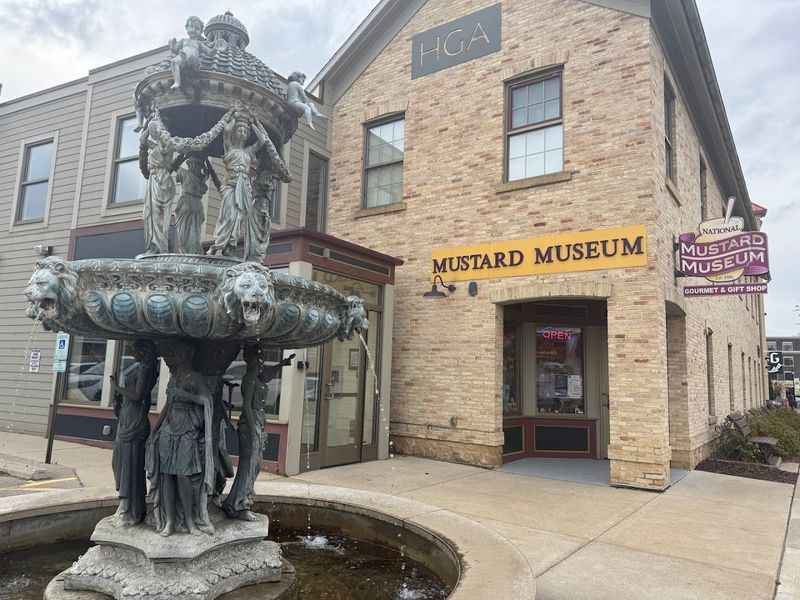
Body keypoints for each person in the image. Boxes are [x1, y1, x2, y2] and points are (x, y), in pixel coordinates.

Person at [146, 341, 214, 536]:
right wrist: (155, 429)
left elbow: (206, 400)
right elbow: (168, 404)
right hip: (169, 428)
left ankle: (190, 520)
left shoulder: (196, 378)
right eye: (176, 351)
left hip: (187, 429)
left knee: (184, 476)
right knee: (167, 474)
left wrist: (185, 395)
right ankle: (169, 521)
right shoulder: (174, 377)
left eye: (182, 351)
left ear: (190, 353)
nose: (179, 355)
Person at [223, 347, 294, 520]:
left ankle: (237, 501)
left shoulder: (258, 378)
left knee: (256, 464)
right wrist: (254, 427)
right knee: (249, 464)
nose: (261, 362)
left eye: (262, 359)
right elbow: (246, 405)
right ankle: (240, 505)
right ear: (251, 361)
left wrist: (282, 364)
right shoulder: (249, 379)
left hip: (259, 420)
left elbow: (268, 375)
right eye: (258, 359)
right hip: (250, 422)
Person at [109, 341, 159, 527]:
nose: (132, 351)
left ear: (144, 351)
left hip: (135, 423)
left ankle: (130, 509)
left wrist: (117, 387)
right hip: (127, 419)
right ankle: (130, 506)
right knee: (119, 463)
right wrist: (118, 400)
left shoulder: (147, 370)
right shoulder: (140, 368)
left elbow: (138, 396)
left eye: (135, 348)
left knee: (129, 465)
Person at [207, 110, 267, 257]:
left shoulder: (248, 151)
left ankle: (230, 247)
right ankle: (219, 246)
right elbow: (226, 131)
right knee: (228, 216)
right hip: (230, 186)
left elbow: (263, 140)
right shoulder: (229, 148)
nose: (243, 133)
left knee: (238, 218)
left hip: (243, 188)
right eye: (240, 130)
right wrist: (233, 115)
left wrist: (253, 124)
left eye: (245, 131)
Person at [169, 16, 217, 90]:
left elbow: (208, 52)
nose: (193, 29)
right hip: (183, 58)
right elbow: (175, 51)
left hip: (194, 60)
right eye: (191, 27)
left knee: (187, 51)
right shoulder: (182, 41)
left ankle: (184, 58)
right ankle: (177, 82)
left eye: (197, 28)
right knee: (174, 61)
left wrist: (215, 49)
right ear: (187, 28)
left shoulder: (199, 43)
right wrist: (172, 47)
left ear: (200, 32)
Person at [174, 154, 208, 255]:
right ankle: (195, 252)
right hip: (198, 205)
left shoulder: (183, 173)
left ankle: (186, 253)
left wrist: (184, 155)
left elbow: (173, 166)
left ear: (189, 165)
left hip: (186, 202)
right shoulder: (202, 181)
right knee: (196, 232)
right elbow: (204, 189)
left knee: (183, 231)